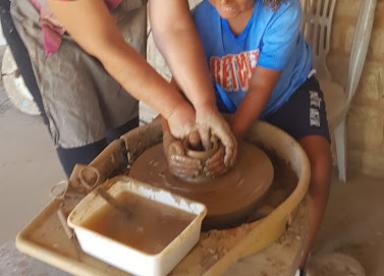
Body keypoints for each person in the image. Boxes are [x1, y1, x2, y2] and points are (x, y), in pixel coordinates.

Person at [0, 0, 236, 177]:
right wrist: (174, 110)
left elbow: (173, 26)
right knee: (87, 159)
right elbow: (106, 46)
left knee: (123, 140)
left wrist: (203, 104)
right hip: (48, 24)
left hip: (113, 13)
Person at [190, 0, 332, 274]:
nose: (225, 1)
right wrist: (171, 134)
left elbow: (260, 86)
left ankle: (298, 262)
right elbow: (180, 84)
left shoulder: (282, 11)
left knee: (318, 164)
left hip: (288, 94)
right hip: (225, 100)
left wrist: (233, 139)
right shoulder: (198, 20)